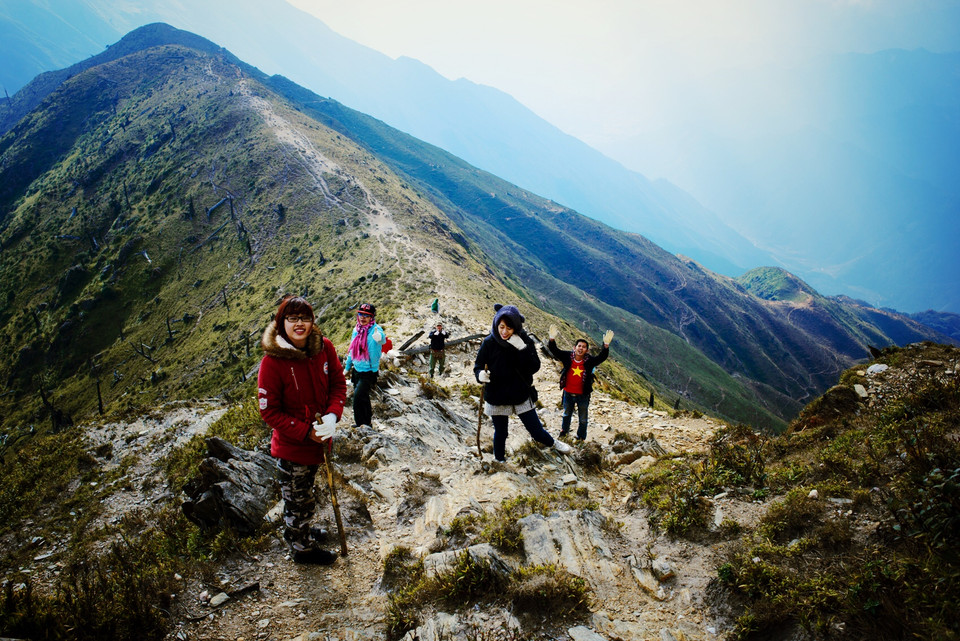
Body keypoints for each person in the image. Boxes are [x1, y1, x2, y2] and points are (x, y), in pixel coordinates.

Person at [257, 295, 346, 565]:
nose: (299, 324)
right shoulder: (272, 363)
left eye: (305, 318)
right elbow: (269, 410)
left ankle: (303, 530)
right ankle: (301, 547)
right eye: (292, 318)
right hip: (293, 447)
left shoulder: (324, 348)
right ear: (280, 322)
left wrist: (333, 414)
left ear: (312, 322)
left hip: (320, 443)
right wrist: (305, 431)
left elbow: (338, 386)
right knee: (297, 499)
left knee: (307, 493)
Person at [474, 304, 571, 462]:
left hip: (519, 392)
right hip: (497, 394)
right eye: (502, 327)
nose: (504, 332)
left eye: (509, 328)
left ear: (516, 327)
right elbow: (478, 365)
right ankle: (499, 459)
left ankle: (554, 443)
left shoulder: (524, 340)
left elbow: (534, 366)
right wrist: (480, 375)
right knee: (501, 432)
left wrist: (523, 349)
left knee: (536, 430)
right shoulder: (489, 342)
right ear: (496, 324)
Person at [547, 325, 614, 441]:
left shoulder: (589, 361)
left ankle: (581, 437)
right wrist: (552, 339)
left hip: (583, 394)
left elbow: (601, 357)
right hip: (568, 393)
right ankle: (564, 432)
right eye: (579, 346)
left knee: (583, 419)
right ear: (574, 347)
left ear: (587, 350)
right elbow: (554, 351)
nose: (581, 348)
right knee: (566, 414)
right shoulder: (568, 356)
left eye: (584, 347)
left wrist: (606, 346)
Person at [343, 302, 387, 428]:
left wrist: (380, 338)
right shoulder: (356, 330)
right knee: (364, 397)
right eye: (361, 314)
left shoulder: (376, 329)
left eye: (366, 315)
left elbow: (382, 339)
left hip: (369, 371)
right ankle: (367, 422)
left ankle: (360, 423)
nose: (363, 317)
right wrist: (347, 367)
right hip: (357, 369)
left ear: (372, 317)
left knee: (357, 397)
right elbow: (352, 350)